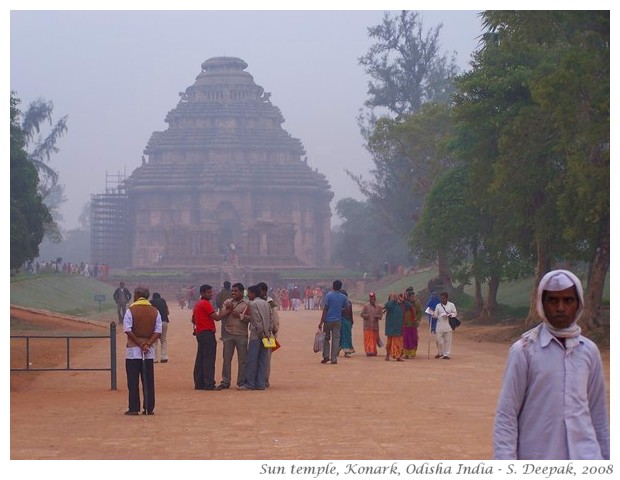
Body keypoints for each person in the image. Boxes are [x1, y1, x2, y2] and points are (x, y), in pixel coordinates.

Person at [493, 269, 610, 460]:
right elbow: (506, 417)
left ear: (578, 303)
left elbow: (598, 416)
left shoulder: (589, 351)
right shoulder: (524, 351)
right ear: (541, 303)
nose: (561, 307)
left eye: (568, 300)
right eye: (553, 300)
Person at [123, 286, 162, 415]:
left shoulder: (131, 310)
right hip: (148, 350)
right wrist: (148, 343)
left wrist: (139, 343)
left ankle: (134, 408)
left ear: (136, 295)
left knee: (133, 381)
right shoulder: (155, 311)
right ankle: (149, 407)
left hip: (133, 349)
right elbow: (158, 331)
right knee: (148, 380)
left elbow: (128, 329)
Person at [192, 284, 229, 391]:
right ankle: (209, 384)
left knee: (200, 359)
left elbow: (193, 320)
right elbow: (217, 317)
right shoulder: (206, 304)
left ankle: (199, 383)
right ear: (202, 293)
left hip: (200, 333)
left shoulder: (197, 304)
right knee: (209, 359)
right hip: (207, 333)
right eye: (209, 292)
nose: (211, 294)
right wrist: (228, 311)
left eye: (211, 292)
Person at [215, 282, 250, 390]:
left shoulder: (247, 304)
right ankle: (225, 381)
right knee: (226, 359)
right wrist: (228, 310)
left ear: (241, 292)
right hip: (228, 333)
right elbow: (221, 316)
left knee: (242, 360)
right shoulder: (227, 302)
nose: (233, 293)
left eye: (235, 291)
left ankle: (241, 381)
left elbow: (251, 319)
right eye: (232, 291)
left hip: (241, 334)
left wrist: (239, 316)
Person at [238, 285, 273, 390]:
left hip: (256, 335)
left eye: (249, 293)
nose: (248, 295)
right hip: (267, 334)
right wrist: (267, 332)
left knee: (252, 359)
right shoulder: (266, 304)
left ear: (253, 293)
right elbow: (270, 320)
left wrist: (261, 332)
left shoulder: (252, 304)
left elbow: (257, 320)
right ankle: (260, 383)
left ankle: (250, 383)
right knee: (263, 359)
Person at [318, 280, 348, 364]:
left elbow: (325, 309)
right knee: (336, 340)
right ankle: (334, 358)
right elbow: (347, 308)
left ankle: (326, 356)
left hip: (328, 320)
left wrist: (321, 322)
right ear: (340, 287)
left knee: (326, 339)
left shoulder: (328, 295)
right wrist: (340, 310)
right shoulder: (343, 297)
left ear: (333, 286)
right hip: (337, 320)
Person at [258, 282, 279, 388]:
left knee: (266, 358)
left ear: (264, 291)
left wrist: (275, 332)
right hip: (258, 334)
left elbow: (275, 320)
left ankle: (265, 379)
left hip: (269, 334)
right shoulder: (256, 302)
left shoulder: (270, 303)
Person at [432, 292, 457, 359]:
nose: (442, 300)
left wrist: (449, 314)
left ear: (446, 298)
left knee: (448, 340)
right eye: (441, 298)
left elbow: (455, 313)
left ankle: (446, 354)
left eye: (443, 298)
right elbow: (436, 315)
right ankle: (440, 353)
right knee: (438, 340)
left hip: (448, 324)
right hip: (439, 325)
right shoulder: (438, 306)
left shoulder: (451, 305)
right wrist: (433, 314)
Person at [360, 292, 383, 356]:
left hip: (375, 327)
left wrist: (377, 316)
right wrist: (366, 316)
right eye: (371, 299)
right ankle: (368, 351)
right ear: (369, 299)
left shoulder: (379, 307)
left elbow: (381, 316)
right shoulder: (366, 307)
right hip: (367, 326)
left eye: (373, 299)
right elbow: (361, 314)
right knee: (367, 340)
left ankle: (373, 351)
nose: (372, 300)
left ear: (375, 300)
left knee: (373, 340)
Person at [383, 292, 404, 361]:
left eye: (395, 296)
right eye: (393, 296)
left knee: (398, 343)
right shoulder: (390, 305)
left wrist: (402, 300)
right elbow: (387, 305)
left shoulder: (400, 305)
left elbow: (408, 305)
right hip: (390, 327)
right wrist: (392, 300)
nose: (395, 297)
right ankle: (387, 355)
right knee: (389, 343)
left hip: (398, 328)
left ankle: (397, 355)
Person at [150, 292, 170, 363]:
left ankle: (154, 358)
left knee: (154, 341)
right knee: (163, 340)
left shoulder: (151, 302)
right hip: (164, 321)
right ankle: (164, 357)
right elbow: (167, 312)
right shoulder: (163, 301)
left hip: (155, 322)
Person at [402, 288, 421, 358]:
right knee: (406, 339)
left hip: (413, 324)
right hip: (405, 324)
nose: (413, 297)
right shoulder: (404, 304)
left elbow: (419, 312)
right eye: (411, 296)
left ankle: (412, 352)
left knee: (413, 339)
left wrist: (418, 319)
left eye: (413, 296)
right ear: (408, 297)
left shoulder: (416, 303)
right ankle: (406, 353)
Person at [338, 290, 355, 358]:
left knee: (346, 336)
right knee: (342, 336)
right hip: (343, 321)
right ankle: (340, 350)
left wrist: (351, 321)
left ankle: (345, 351)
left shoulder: (348, 303)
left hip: (346, 321)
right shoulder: (343, 303)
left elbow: (350, 313)